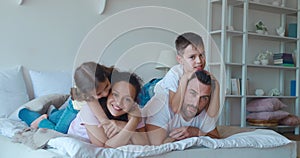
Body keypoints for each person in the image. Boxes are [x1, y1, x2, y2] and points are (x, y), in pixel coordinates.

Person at [18, 62, 116, 134]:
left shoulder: (111, 75)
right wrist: (106, 122)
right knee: (59, 132)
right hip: (74, 109)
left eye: (107, 86)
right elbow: (102, 118)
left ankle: (52, 113)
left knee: (54, 117)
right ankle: (39, 119)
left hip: (72, 107)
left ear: (104, 74)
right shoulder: (86, 94)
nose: (106, 93)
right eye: (99, 94)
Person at [143, 32, 219, 120]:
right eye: (192, 57)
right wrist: (184, 79)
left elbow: (211, 114)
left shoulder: (203, 76)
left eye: (201, 55)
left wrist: (216, 85)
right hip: (154, 95)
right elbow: (175, 109)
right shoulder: (174, 74)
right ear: (180, 60)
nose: (199, 61)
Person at [68, 71, 149, 148]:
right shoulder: (89, 110)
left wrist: (128, 123)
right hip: (75, 124)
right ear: (108, 93)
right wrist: (130, 128)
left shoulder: (134, 111)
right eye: (115, 94)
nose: (119, 103)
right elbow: (103, 147)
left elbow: (144, 144)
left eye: (127, 99)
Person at [146, 70, 220, 145]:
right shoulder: (161, 104)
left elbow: (217, 139)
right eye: (192, 93)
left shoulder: (204, 109)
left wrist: (197, 132)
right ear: (182, 90)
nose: (196, 103)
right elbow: (157, 145)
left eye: (204, 98)